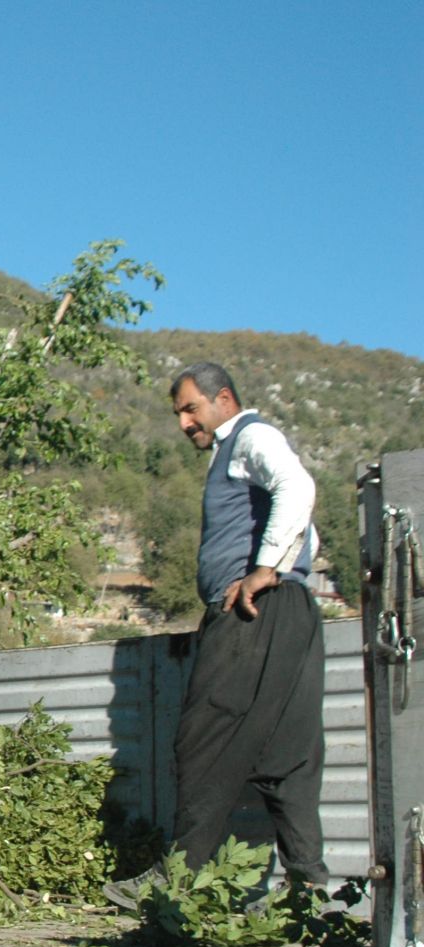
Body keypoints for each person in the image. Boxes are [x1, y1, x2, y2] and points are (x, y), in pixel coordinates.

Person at [103, 362, 328, 910]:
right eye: (179, 412)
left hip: (253, 613)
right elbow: (310, 533)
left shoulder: (250, 436)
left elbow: (297, 487)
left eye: (190, 409)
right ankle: (309, 889)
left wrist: (264, 568)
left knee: (202, 738)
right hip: (292, 612)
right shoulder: (240, 450)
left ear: (222, 398)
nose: (184, 423)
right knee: (287, 753)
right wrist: (284, 566)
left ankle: (174, 881)